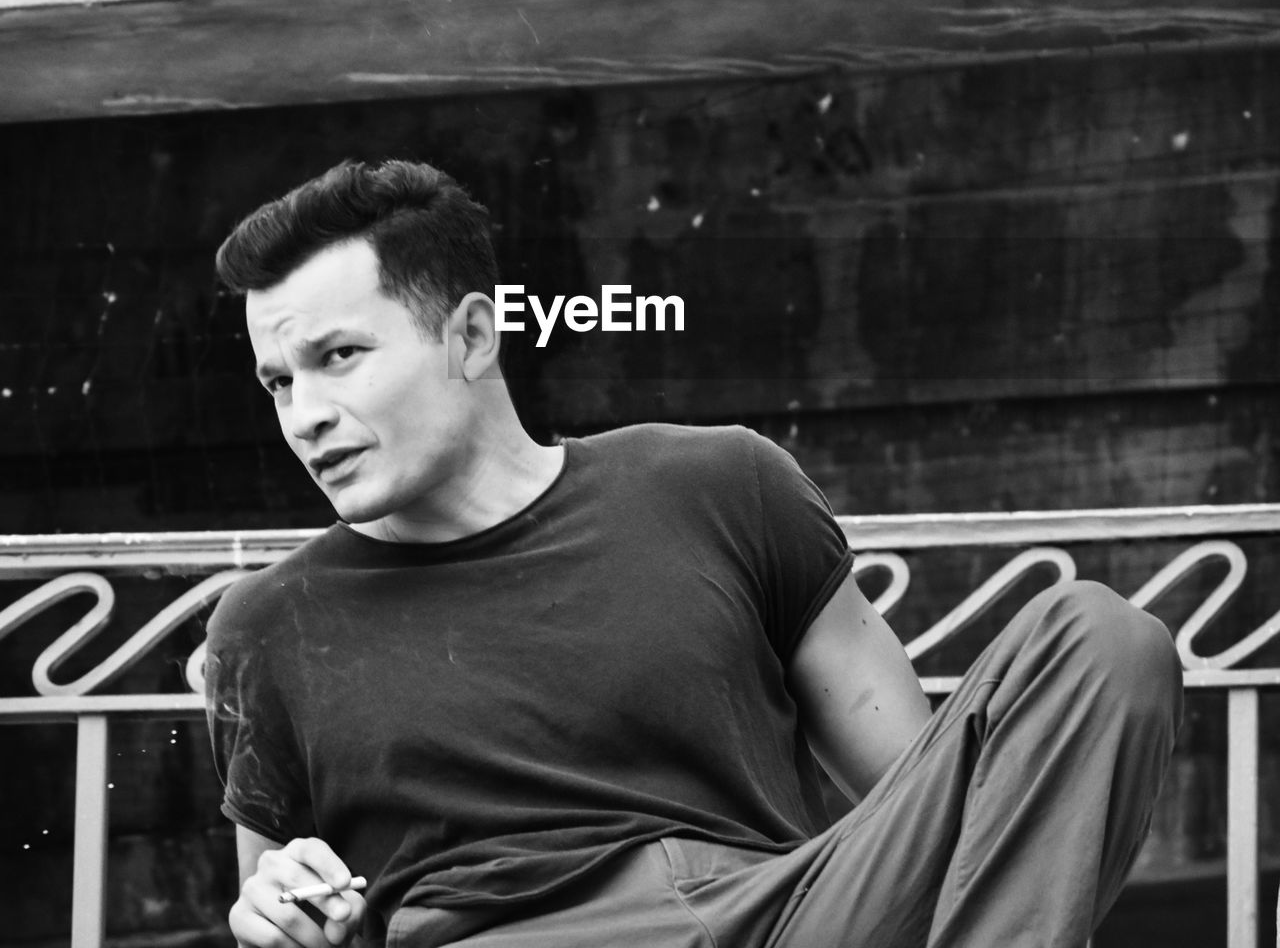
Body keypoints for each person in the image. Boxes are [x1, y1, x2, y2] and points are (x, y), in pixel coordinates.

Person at [204, 158, 1182, 948]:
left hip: (784, 907)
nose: (307, 416)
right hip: (504, 927)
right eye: (276, 380)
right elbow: (276, 903)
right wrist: (275, 911)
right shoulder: (267, 622)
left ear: (471, 332)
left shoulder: (717, 483)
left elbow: (934, 806)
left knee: (1100, 636)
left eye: (338, 356)